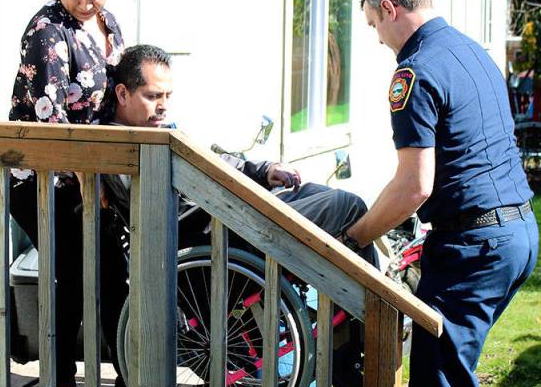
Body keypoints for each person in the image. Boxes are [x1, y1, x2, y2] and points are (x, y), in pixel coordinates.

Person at [341, 0, 539, 387]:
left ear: (389, 8)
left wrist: (356, 235)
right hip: (517, 233)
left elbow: (414, 186)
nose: (377, 39)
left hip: (474, 248)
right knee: (432, 386)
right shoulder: (472, 52)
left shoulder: (415, 72)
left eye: (372, 25)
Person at [98, 44, 378, 268]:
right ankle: (365, 324)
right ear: (123, 94)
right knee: (347, 206)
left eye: (168, 96)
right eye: (153, 96)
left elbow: (207, 161)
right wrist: (235, 195)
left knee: (312, 191)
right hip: (224, 233)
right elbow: (174, 213)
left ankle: (355, 319)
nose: (164, 106)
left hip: (234, 217)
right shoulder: (121, 148)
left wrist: (262, 172)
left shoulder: (156, 133)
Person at [8, 0, 128, 387]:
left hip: (94, 173)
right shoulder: (46, 31)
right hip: (48, 178)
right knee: (72, 275)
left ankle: (129, 371)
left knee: (114, 274)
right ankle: (59, 384)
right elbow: (50, 119)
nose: (85, 3)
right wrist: (88, 183)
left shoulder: (110, 23)